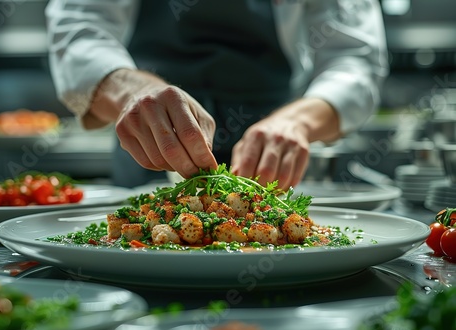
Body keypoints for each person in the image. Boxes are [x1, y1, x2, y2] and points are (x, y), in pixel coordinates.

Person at [45, 0, 388, 190]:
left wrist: (295, 122)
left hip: (274, 161)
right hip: (146, 146)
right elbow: (77, 31)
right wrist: (135, 91)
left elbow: (354, 58)